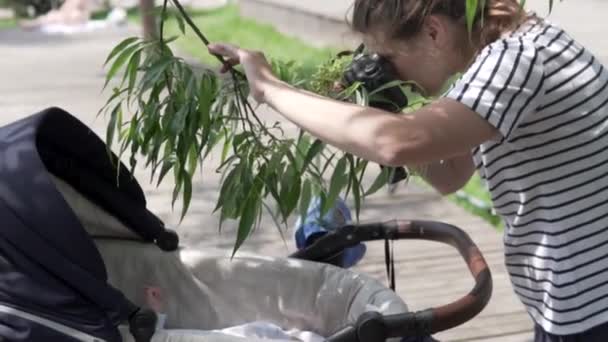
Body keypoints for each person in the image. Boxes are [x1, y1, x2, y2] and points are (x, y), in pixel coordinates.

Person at [208, 0, 608, 340]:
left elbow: (395, 143)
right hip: (571, 297)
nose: (388, 70)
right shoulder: (501, 52)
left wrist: (270, 89)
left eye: (388, 57)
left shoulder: (517, 60)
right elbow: (451, 173)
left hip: (591, 302)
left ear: (434, 32)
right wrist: (386, 110)